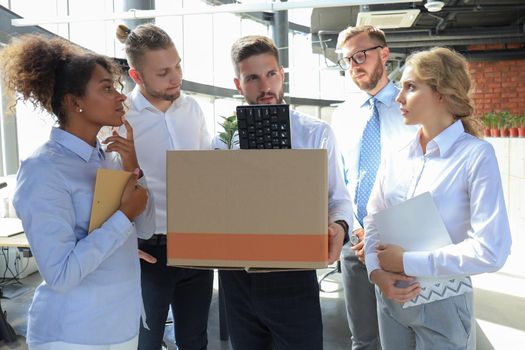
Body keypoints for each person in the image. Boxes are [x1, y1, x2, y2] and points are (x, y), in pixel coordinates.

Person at [1, 34, 155, 349]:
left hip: (122, 326)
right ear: (75, 102)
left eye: (117, 88)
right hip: (73, 335)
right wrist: (123, 216)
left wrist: (133, 169)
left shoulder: (111, 159)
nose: (121, 97)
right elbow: (61, 274)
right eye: (107, 88)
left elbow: (146, 229)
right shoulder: (43, 169)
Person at [364, 47, 512, 349]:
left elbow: (491, 250)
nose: (398, 97)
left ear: (441, 94)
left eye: (411, 87)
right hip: (391, 297)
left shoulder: (475, 156)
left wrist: (407, 261)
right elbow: (373, 218)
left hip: (443, 300)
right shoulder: (396, 155)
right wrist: (376, 271)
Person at [213, 35, 353, 350]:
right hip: (238, 276)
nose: (265, 86)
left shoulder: (316, 133)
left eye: (271, 74)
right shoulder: (222, 141)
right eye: (253, 78)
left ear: (282, 74)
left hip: (293, 272)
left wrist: (339, 226)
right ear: (239, 84)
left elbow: (339, 197)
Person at [116, 24, 213, 350]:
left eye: (178, 66)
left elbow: (206, 175)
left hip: (196, 245)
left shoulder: (193, 109)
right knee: (145, 341)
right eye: (163, 73)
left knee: (195, 339)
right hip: (147, 252)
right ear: (137, 76)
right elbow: (109, 189)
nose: (176, 78)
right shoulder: (121, 119)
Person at [331, 25, 416, 350]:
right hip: (356, 244)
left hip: (401, 244)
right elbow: (338, 180)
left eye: (360, 56)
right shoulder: (342, 116)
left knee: (405, 337)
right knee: (363, 340)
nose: (354, 65)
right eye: (347, 60)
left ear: (384, 53)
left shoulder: (412, 108)